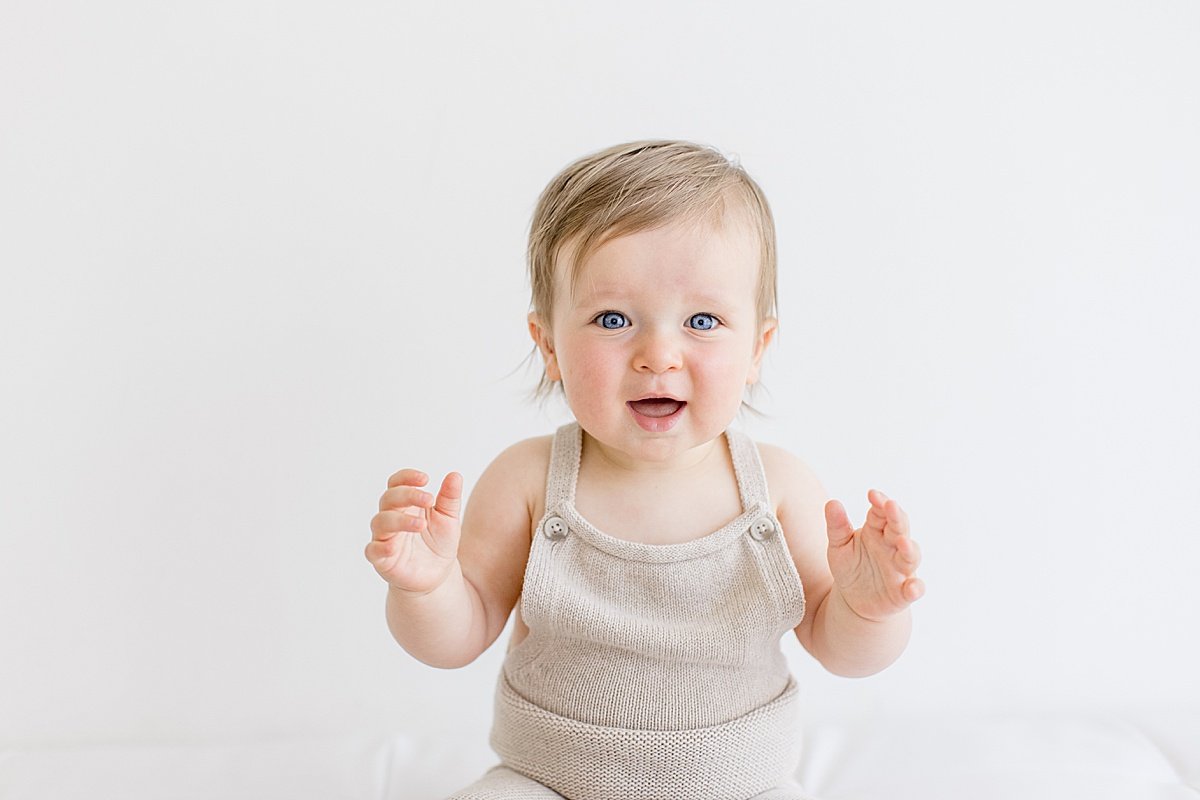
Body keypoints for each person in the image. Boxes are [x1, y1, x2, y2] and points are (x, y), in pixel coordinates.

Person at [366, 140, 925, 800]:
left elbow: (841, 650)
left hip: (740, 785)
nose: (658, 354)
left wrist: (868, 609)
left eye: (702, 320)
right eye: (612, 319)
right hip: (549, 781)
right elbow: (458, 637)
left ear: (756, 349)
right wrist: (427, 588)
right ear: (548, 345)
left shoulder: (775, 492)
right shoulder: (530, 481)